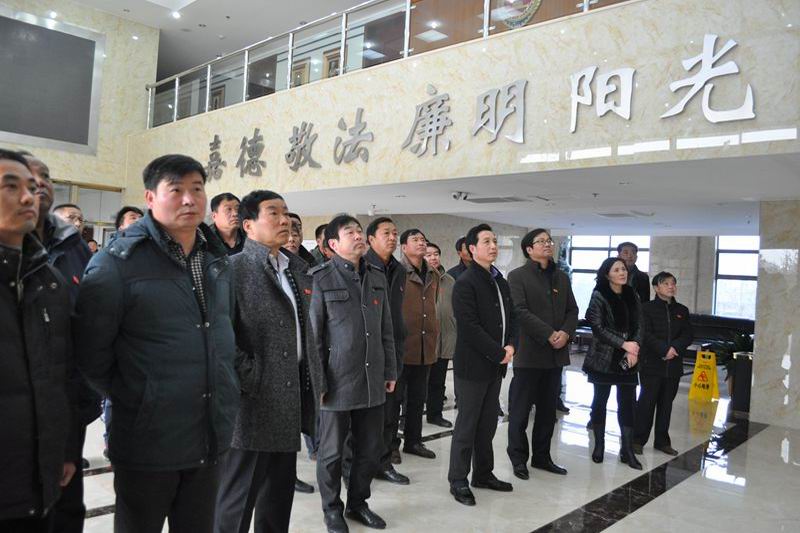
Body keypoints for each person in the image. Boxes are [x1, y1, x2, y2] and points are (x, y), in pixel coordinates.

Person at [75, 154, 240, 533]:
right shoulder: (117, 263)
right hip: (147, 439)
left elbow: (223, 332)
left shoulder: (216, 259)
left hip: (210, 432)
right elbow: (90, 353)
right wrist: (139, 395)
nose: (189, 199)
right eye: (176, 190)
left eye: (197, 189)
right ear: (150, 198)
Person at [215, 190, 323, 533]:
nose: (285, 220)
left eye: (286, 213)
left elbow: (305, 333)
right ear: (248, 225)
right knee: (236, 506)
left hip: (288, 402)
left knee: (277, 503)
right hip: (251, 406)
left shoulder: (295, 270)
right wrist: (254, 377)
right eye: (273, 213)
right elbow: (220, 340)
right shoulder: (233, 270)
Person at [0, 149, 77, 533]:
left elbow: (59, 374)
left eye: (32, 187)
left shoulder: (48, 280)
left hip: (37, 478)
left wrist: (63, 449)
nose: (28, 197)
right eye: (11, 186)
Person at [22, 152, 96, 532]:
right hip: (16, 409)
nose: (40, 184)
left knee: (66, 508)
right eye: (27, 177)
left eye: (46, 176)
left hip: (66, 401)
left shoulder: (72, 246)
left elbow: (88, 321)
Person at [309, 215, 397, 533]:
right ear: (333, 244)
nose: (359, 236)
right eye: (351, 232)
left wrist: (390, 369)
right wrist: (319, 382)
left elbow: (386, 328)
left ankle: (358, 503)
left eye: (360, 231)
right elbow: (314, 337)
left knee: (370, 449)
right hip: (336, 382)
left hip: (372, 379)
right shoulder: (320, 278)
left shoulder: (376, 276)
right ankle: (332, 510)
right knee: (331, 453)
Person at [448, 224, 517, 506]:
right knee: (467, 425)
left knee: (487, 424)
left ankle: (483, 474)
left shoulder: (500, 281)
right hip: (473, 366)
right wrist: (498, 352)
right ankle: (458, 480)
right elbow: (469, 327)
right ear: (472, 248)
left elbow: (512, 318)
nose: (493, 246)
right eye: (486, 241)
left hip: (496, 364)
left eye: (495, 241)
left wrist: (511, 345)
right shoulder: (465, 283)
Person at [506, 229, 578, 480]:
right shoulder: (517, 276)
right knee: (520, 411)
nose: (547, 244)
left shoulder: (561, 277)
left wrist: (565, 333)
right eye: (541, 241)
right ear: (529, 249)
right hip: (529, 354)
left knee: (548, 412)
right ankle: (518, 459)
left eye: (549, 241)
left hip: (555, 356)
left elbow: (572, 310)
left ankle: (542, 457)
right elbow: (519, 311)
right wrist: (548, 334)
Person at [582, 257, 643, 470]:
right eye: (616, 270)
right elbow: (597, 327)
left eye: (623, 269)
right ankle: (599, 445)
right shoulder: (599, 295)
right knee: (600, 400)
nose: (622, 273)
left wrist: (633, 347)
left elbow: (640, 324)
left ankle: (627, 450)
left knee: (627, 404)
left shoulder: (632, 294)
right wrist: (624, 344)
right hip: (604, 357)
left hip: (629, 357)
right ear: (607, 274)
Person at [365, 217, 409, 484]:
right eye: (386, 233)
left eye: (395, 233)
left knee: (391, 410)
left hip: (393, 347)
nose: (392, 238)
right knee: (365, 415)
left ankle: (383, 463)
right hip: (367, 349)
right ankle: (359, 467)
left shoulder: (399, 270)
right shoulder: (362, 266)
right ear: (370, 239)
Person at [100, 205, 146, 460]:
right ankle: (111, 441)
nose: (138, 220)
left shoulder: (152, 252)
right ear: (120, 226)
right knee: (114, 399)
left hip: (143, 346)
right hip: (119, 343)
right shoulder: (110, 256)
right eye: (132, 217)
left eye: (140, 217)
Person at [634, 272, 693, 456]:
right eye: (666, 283)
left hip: (673, 365)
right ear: (656, 287)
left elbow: (688, 335)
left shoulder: (682, 310)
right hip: (651, 364)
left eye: (673, 283)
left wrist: (674, 348)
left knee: (666, 405)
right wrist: (663, 350)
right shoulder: (646, 308)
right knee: (646, 403)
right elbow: (645, 334)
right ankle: (637, 440)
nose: (671, 287)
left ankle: (662, 441)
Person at [397, 228, 440, 459]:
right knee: (394, 402)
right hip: (403, 347)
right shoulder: (397, 272)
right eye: (415, 240)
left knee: (417, 400)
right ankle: (390, 447)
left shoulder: (433, 273)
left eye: (423, 239)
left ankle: (414, 442)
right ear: (404, 247)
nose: (421, 243)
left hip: (426, 346)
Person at [423, 242, 455, 428]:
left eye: (436, 254)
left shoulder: (449, 281)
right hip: (421, 342)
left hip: (443, 340)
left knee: (438, 382)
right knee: (415, 384)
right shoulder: (415, 278)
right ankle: (405, 419)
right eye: (428, 255)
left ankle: (435, 414)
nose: (433, 257)